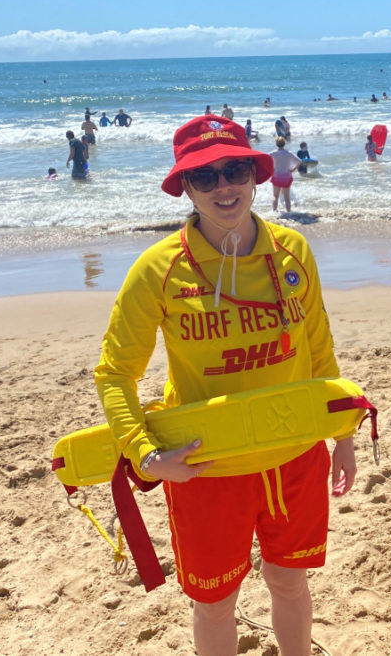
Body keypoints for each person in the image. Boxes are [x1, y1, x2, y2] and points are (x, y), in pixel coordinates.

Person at [93, 115, 356, 656]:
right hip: (206, 468)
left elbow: (319, 350)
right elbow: (115, 373)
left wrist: (343, 434)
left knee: (289, 581)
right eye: (205, 177)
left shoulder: (293, 253)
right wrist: (144, 456)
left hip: (295, 454)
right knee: (214, 604)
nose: (223, 187)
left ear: (255, 175)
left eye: (234, 169)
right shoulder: (157, 271)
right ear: (185, 188)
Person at [270, 137, 300, 212]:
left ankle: (274, 212)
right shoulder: (288, 153)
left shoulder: (273, 153)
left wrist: (271, 169)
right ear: (284, 144)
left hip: (277, 175)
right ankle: (289, 212)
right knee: (287, 197)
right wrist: (293, 169)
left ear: (276, 144)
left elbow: (265, 159)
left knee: (275, 196)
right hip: (287, 176)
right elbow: (299, 161)